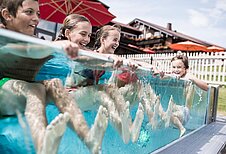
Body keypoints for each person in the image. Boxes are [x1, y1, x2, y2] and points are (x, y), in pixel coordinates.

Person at [0, 1, 108, 154]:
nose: (36, 19)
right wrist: (55, 46)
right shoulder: (2, 36)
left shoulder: (36, 41)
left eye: (38, 14)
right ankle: (43, 148)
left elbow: (83, 59)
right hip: (3, 91)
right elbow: (28, 51)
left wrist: (111, 62)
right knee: (35, 88)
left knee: (55, 84)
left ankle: (90, 140)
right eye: (29, 12)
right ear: (7, 15)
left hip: (21, 89)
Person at [158, 54, 208, 137]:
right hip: (177, 110)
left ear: (185, 68)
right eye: (173, 67)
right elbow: (162, 77)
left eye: (179, 67)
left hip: (185, 112)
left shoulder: (188, 76)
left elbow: (206, 87)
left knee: (169, 114)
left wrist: (192, 79)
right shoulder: (173, 76)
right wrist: (162, 75)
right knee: (164, 112)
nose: (176, 70)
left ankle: (181, 128)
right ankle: (164, 121)